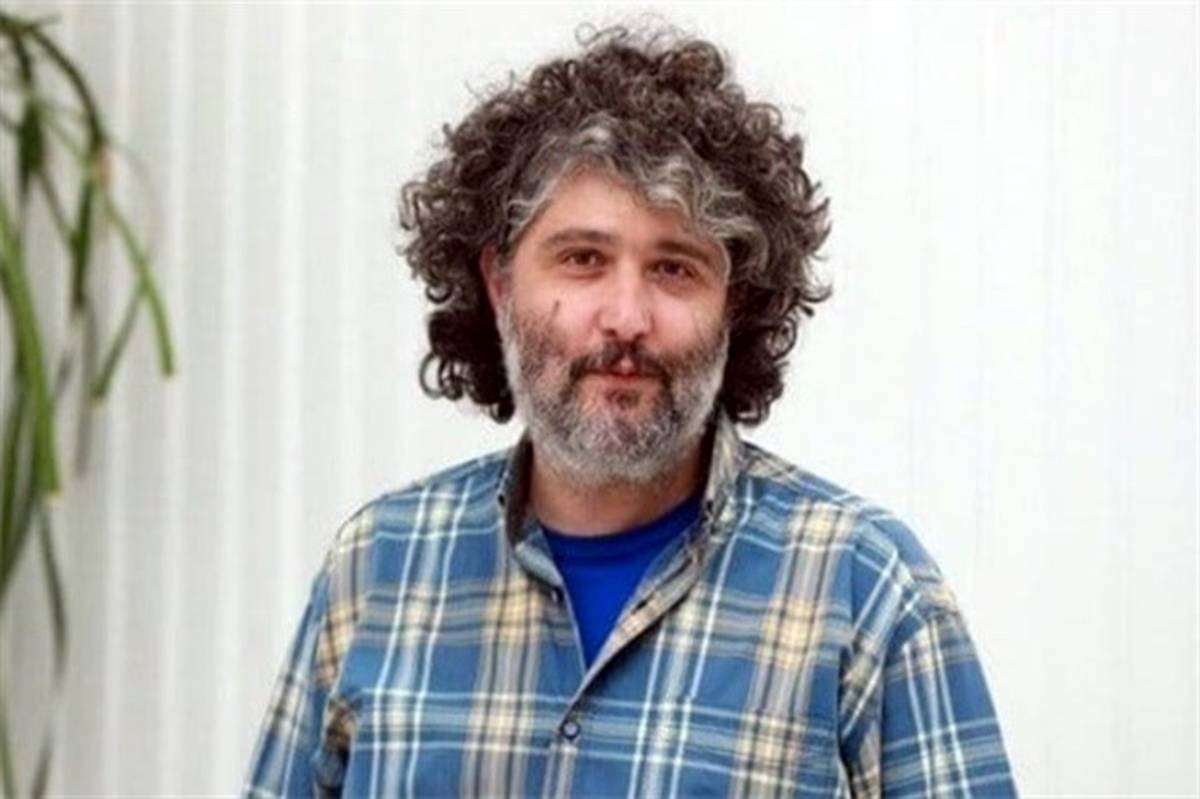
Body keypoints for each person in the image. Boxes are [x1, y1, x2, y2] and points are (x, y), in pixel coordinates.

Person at [244, 25, 1016, 798]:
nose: (626, 317)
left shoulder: (864, 589)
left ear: (734, 303)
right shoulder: (375, 569)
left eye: (674, 268)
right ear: (501, 284)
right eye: (583, 259)